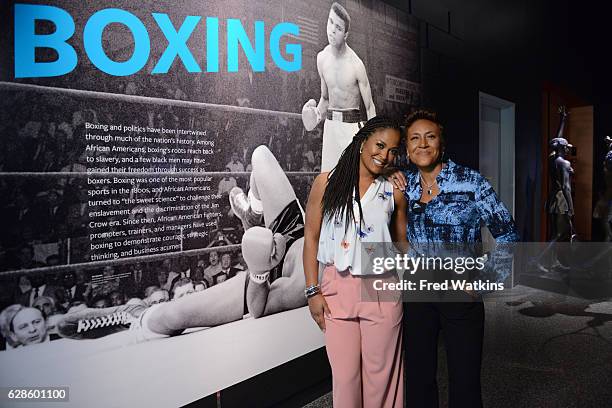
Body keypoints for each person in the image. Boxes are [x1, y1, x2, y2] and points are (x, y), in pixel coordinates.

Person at [57, 146, 307, 340]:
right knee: (261, 155)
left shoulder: (303, 286)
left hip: (268, 275)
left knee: (174, 317)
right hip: (295, 232)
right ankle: (253, 214)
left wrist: (259, 271)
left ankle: (134, 314)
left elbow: (258, 308)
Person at [390, 109, 519, 408]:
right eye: (414, 139)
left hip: (461, 288)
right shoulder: (403, 185)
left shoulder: (471, 182)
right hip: (417, 289)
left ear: (441, 144)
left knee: (464, 379)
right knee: (419, 377)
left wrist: (484, 282)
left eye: (430, 137)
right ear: (407, 149)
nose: (422, 144)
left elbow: (509, 235)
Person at [304, 117, 407, 408]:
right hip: (338, 287)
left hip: (382, 286)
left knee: (382, 381)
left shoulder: (394, 190)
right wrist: (313, 291)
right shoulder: (326, 183)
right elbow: (311, 238)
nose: (385, 155)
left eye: (393, 150)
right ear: (363, 142)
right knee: (346, 381)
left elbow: (402, 245)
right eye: (380, 145)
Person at [301, 2, 376, 172]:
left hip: (352, 128)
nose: (332, 30)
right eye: (330, 22)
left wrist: (372, 139)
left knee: (351, 184)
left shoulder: (356, 65)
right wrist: (316, 115)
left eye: (338, 28)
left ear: (346, 34)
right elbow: (326, 98)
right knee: (328, 180)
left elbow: (370, 106)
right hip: (330, 126)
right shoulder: (321, 58)